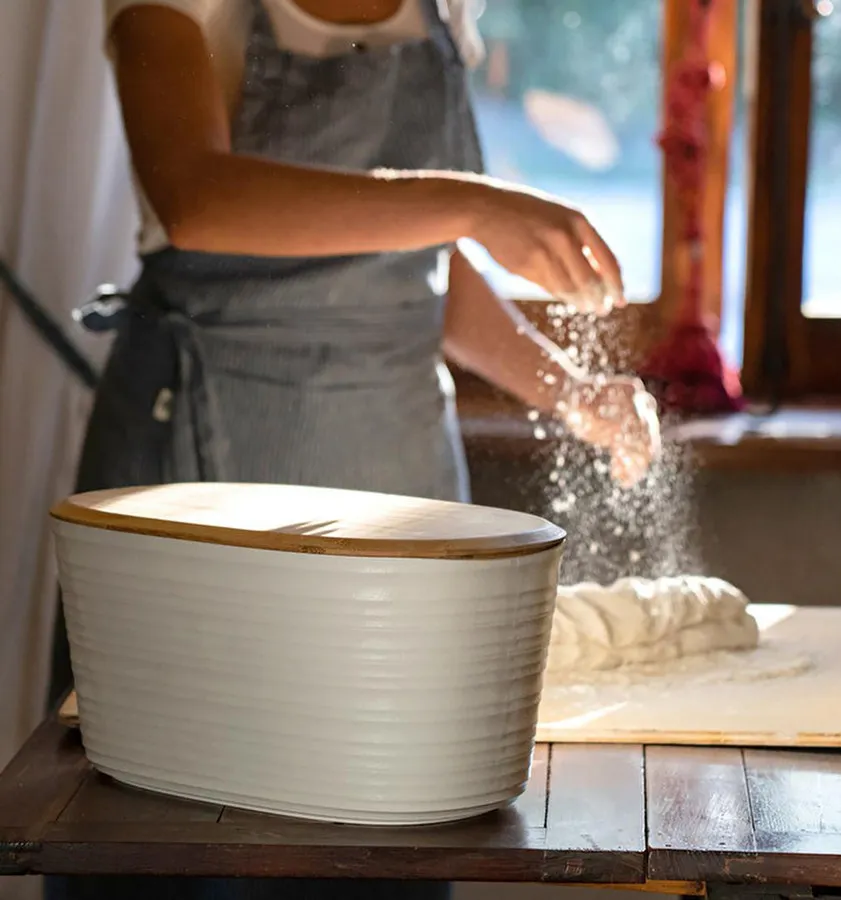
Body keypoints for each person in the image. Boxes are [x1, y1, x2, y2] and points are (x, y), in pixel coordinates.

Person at [46, 0, 659, 897]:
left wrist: (572, 392)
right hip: (200, 479)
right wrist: (476, 205)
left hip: (393, 479)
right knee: (178, 831)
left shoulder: (441, 13)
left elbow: (411, 266)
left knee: (393, 831)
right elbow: (194, 195)